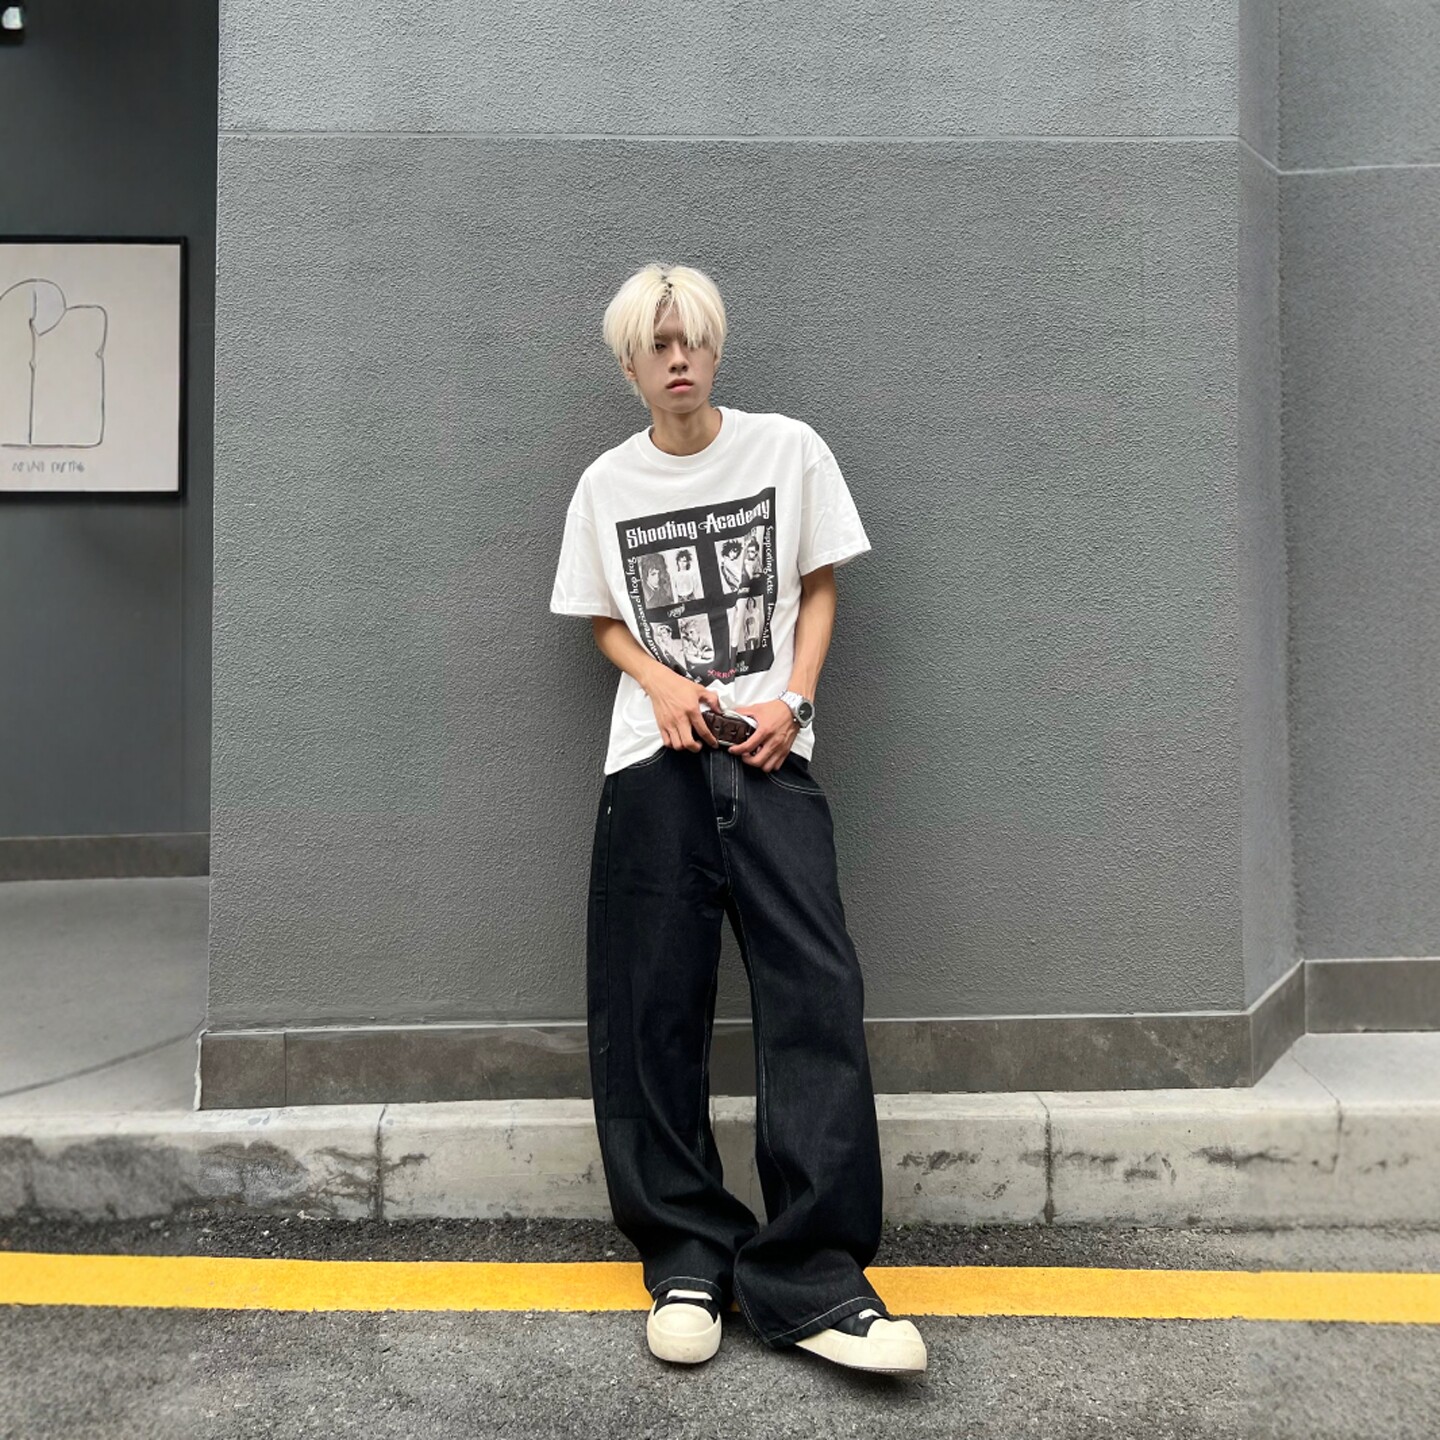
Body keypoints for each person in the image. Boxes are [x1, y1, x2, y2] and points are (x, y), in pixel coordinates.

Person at [549, 263, 927, 1376]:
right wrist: (660, 683)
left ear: (716, 348)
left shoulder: (787, 450)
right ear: (628, 365)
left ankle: (816, 1277)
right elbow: (602, 620)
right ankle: (684, 1259)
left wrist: (794, 701)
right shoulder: (605, 484)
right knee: (651, 1008)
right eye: (657, 346)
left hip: (769, 755)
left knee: (815, 993)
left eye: (693, 340)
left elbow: (819, 584)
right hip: (652, 764)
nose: (679, 360)